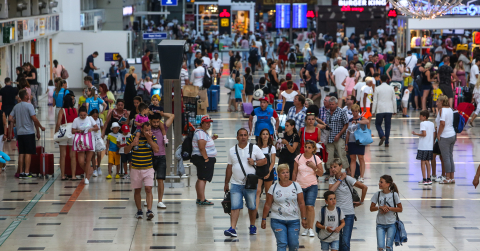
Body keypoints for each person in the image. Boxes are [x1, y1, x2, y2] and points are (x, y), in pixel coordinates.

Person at [224, 128, 267, 237]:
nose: (243, 137)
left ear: (248, 136)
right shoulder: (232, 150)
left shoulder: (254, 148)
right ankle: (232, 228)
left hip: (250, 184)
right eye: (241, 135)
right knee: (235, 206)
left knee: (252, 206)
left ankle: (252, 226)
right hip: (235, 183)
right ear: (237, 137)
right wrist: (226, 183)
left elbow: (264, 160)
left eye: (245, 135)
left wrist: (255, 162)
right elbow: (229, 167)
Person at [261, 163, 307, 250]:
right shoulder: (273, 187)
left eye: (287, 172)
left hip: (293, 220)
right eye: (283, 173)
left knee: (294, 244)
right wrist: (263, 219)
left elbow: (301, 203)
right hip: (277, 220)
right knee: (282, 243)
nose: (286, 174)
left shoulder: (296, 186)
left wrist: (304, 218)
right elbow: (268, 204)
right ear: (278, 175)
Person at [328, 158, 368, 251]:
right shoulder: (332, 180)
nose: (333, 169)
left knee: (345, 241)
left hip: (348, 213)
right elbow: (330, 191)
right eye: (331, 167)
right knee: (336, 240)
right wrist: (340, 179)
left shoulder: (348, 178)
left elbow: (364, 187)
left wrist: (361, 201)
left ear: (340, 167)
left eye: (335, 167)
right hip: (336, 213)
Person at [123, 122, 159, 220]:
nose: (148, 132)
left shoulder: (152, 138)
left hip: (148, 168)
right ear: (141, 129)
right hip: (136, 168)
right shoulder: (133, 137)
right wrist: (132, 144)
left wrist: (149, 139)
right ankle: (139, 210)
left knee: (148, 188)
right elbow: (125, 151)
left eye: (149, 130)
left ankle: (149, 210)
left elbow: (156, 149)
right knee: (137, 190)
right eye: (146, 130)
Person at [9, 90, 45, 178]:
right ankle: (27, 172)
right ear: (25, 96)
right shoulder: (29, 106)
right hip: (28, 132)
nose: (29, 96)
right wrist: (40, 127)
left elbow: (10, 118)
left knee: (21, 153)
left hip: (20, 132)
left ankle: (21, 172)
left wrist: (16, 121)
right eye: (28, 95)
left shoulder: (16, 106)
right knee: (28, 152)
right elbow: (34, 119)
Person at [292, 140, 323, 237]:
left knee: (310, 206)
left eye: (309, 147)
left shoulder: (316, 158)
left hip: (312, 185)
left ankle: (310, 228)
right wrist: (293, 184)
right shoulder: (298, 157)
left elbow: (321, 173)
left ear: (313, 149)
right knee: (303, 207)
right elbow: (294, 172)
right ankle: (305, 227)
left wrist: (314, 167)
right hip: (299, 185)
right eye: (306, 147)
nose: (307, 149)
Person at [370, 175, 403, 251]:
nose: (379, 183)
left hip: (391, 224)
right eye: (379, 182)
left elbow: (400, 209)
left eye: (381, 182)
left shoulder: (394, 195)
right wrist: (380, 207)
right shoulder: (377, 194)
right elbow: (371, 208)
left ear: (388, 184)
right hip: (380, 224)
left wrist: (389, 208)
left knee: (389, 246)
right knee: (380, 247)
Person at [191, 116, 218, 205]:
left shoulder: (202, 132)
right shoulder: (201, 133)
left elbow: (204, 143)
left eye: (209, 123)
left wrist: (211, 139)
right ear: (202, 123)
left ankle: (199, 198)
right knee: (202, 179)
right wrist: (206, 158)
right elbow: (201, 147)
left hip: (201, 158)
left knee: (201, 179)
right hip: (202, 158)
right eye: (206, 123)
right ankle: (202, 199)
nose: (208, 124)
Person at [150, 112, 174, 209]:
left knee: (160, 179)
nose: (156, 124)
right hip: (149, 156)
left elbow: (172, 116)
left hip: (161, 157)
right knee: (149, 180)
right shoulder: (147, 128)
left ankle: (160, 201)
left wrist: (162, 113)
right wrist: (149, 114)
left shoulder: (163, 128)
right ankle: (149, 199)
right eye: (154, 122)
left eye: (157, 122)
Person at [71, 106, 98, 184]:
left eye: (84, 115)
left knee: (88, 159)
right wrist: (78, 130)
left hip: (90, 141)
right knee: (81, 161)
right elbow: (72, 131)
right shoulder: (76, 120)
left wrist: (91, 129)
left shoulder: (90, 118)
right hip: (81, 141)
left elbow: (97, 128)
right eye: (81, 115)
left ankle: (86, 178)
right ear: (79, 114)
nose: (83, 116)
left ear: (87, 114)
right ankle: (88, 171)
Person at [55, 93, 78, 180]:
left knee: (63, 155)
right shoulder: (75, 110)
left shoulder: (62, 111)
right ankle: (73, 175)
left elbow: (58, 123)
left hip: (63, 132)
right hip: (73, 132)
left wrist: (56, 133)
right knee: (73, 156)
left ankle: (63, 175)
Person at [255, 129, 276, 218]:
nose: (265, 136)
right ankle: (255, 211)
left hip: (268, 172)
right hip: (258, 172)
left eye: (267, 134)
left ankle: (266, 210)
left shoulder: (272, 148)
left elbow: (272, 162)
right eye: (263, 134)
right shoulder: (256, 147)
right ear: (260, 136)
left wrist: (268, 172)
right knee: (258, 191)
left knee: (268, 192)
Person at [435, 95, 456, 184]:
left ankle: (447, 178)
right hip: (452, 135)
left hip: (445, 136)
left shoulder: (442, 110)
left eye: (438, 101)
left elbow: (442, 124)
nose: (436, 103)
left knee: (446, 157)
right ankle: (452, 177)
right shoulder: (450, 109)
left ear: (442, 102)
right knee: (450, 157)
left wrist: (438, 135)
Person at [345, 104, 369, 182]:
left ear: (358, 111)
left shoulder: (361, 118)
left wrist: (357, 121)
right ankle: (352, 176)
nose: (355, 113)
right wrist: (346, 143)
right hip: (351, 141)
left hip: (360, 140)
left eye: (356, 111)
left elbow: (367, 121)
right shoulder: (350, 120)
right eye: (353, 111)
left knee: (361, 158)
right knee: (352, 159)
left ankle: (361, 176)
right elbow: (348, 133)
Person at [325, 97, 349, 171]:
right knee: (329, 156)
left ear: (336, 104)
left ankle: (348, 171)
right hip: (329, 138)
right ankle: (331, 172)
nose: (331, 106)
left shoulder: (341, 112)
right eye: (330, 104)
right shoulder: (328, 112)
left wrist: (339, 134)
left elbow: (346, 124)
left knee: (342, 155)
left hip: (339, 137)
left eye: (332, 104)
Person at [411, 110, 435, 185]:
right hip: (430, 146)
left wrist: (416, 134)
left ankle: (424, 179)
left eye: (420, 116)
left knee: (422, 162)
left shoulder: (422, 123)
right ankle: (428, 178)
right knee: (428, 162)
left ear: (424, 117)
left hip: (423, 146)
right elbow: (434, 133)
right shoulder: (431, 123)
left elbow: (424, 134)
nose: (419, 117)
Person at [372, 75, 397, 147]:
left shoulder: (377, 88)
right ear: (387, 80)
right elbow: (394, 100)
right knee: (387, 126)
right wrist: (395, 110)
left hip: (380, 109)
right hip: (389, 109)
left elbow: (375, 100)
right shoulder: (391, 88)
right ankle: (387, 142)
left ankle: (382, 135)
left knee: (378, 124)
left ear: (380, 80)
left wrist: (373, 111)